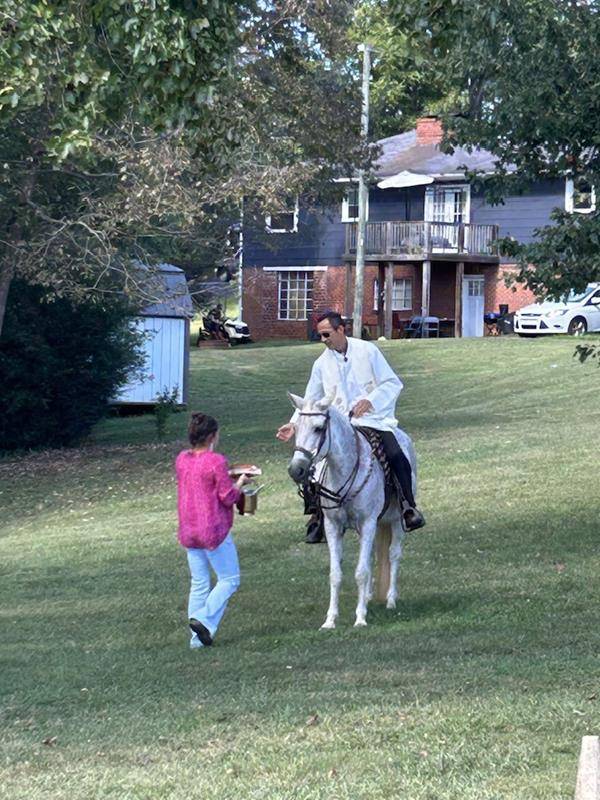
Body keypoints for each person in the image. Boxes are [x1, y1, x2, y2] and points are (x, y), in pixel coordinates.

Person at [276, 311, 425, 540]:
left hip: (373, 421)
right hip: (339, 426)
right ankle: (317, 516)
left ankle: (408, 507)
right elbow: (310, 400)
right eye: (320, 336)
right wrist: (294, 424)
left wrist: (370, 401)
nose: (323, 340)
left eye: (326, 334)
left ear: (340, 330)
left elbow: (392, 383)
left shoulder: (368, 351)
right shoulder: (321, 363)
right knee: (311, 461)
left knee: (396, 454)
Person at [175, 412, 250, 649]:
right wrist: (240, 484)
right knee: (230, 579)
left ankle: (197, 640)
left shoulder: (182, 459)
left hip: (189, 530)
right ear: (212, 436)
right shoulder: (216, 460)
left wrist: (227, 478)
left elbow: (200, 481)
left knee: (199, 582)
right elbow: (227, 497)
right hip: (213, 530)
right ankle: (204, 620)